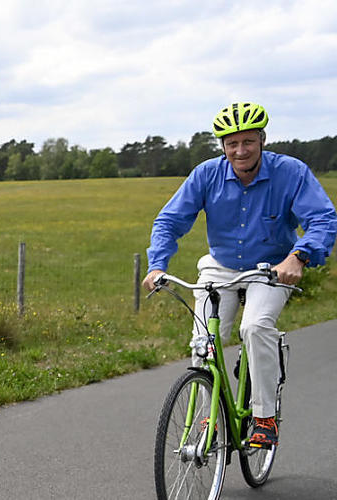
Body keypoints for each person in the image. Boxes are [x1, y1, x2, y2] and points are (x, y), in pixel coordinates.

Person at [142, 102, 337, 448]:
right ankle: (210, 417)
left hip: (272, 267)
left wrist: (299, 257)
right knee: (203, 342)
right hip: (221, 266)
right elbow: (169, 221)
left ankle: (264, 417)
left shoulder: (290, 172)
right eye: (232, 144)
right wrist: (158, 264)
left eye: (248, 142)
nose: (240, 150)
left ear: (262, 140)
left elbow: (322, 219)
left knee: (256, 327)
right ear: (222, 146)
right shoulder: (206, 174)